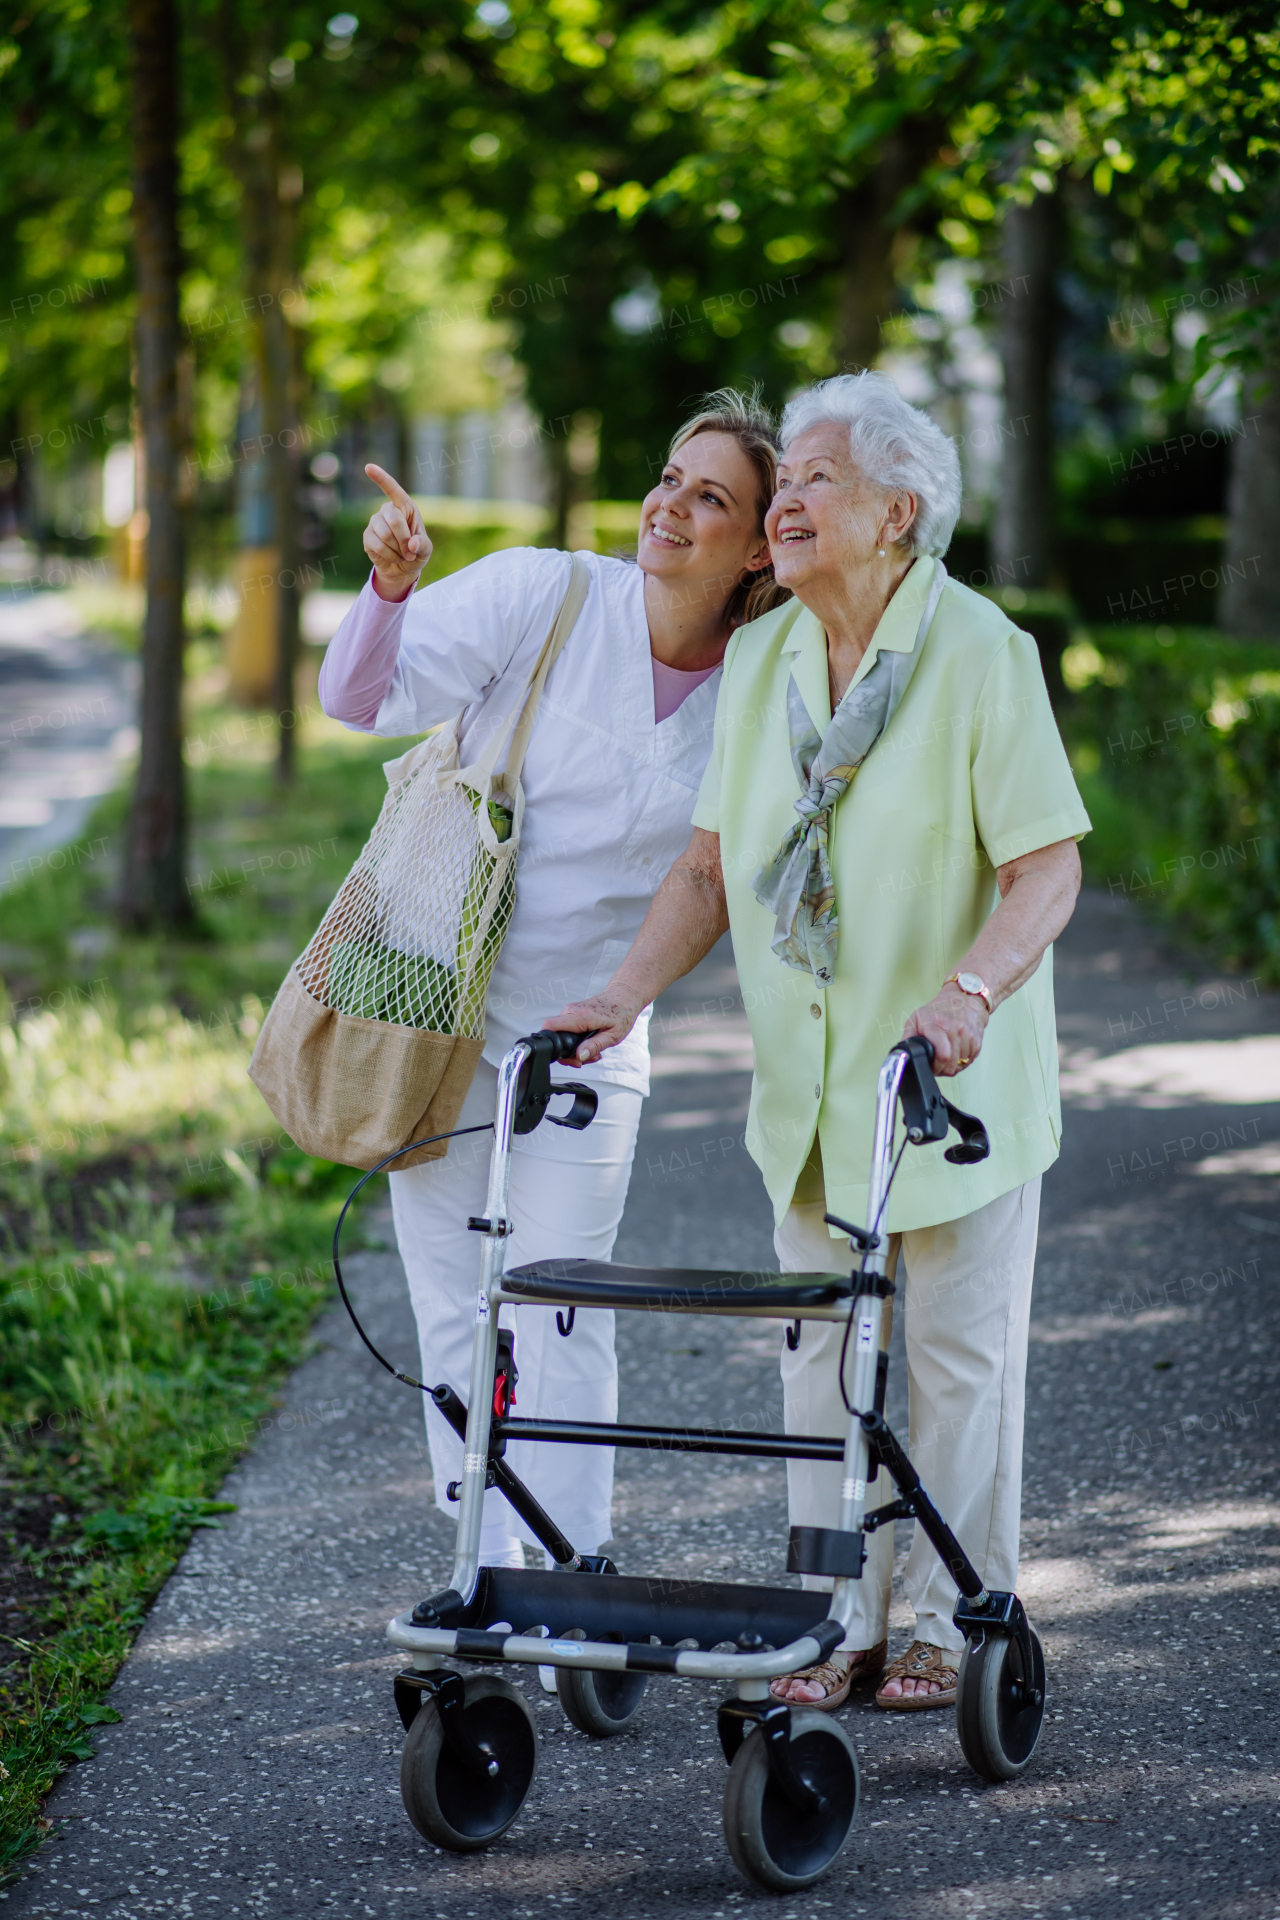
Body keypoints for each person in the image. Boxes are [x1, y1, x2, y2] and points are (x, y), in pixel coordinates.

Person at [553, 370, 1091, 1713]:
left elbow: (1046, 871)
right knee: (820, 1364)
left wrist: (971, 992)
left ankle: (945, 1622)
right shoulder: (765, 658)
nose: (785, 501)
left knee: (957, 1367)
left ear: (898, 514)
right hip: (806, 1094)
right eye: (781, 479)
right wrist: (623, 994)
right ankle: (834, 1615)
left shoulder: (980, 656)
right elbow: (708, 869)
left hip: (943, 1087)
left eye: (815, 481)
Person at [317, 391, 788, 1622]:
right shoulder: (549, 592)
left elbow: (717, 868)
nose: (670, 505)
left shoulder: (758, 679)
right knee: (452, 1300)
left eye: (710, 497)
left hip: (587, 1032)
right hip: (433, 1002)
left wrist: (628, 999)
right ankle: (483, 1570)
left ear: (755, 547)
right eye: (668, 477)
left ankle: (576, 1576)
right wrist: (390, 589)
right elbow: (364, 699)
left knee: (564, 1301)